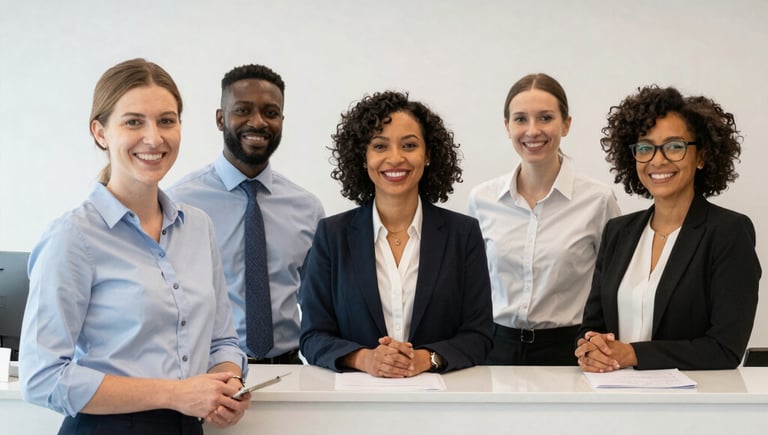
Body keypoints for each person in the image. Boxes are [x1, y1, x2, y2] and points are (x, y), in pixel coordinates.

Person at [19, 58, 250, 435]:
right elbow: (43, 376)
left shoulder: (198, 227)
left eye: (167, 121)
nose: (154, 137)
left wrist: (228, 384)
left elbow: (223, 338)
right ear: (101, 133)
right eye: (133, 122)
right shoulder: (74, 236)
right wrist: (178, 392)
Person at [300, 91, 493, 377]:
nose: (395, 158)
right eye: (379, 146)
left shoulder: (462, 234)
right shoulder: (332, 235)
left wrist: (426, 358)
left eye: (409, 145)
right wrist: (365, 359)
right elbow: (312, 336)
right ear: (363, 157)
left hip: (443, 402)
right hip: (354, 406)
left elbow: (479, 336)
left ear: (427, 154)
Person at [576, 85, 761, 371]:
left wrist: (634, 354)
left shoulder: (728, 232)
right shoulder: (618, 231)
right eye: (646, 147)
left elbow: (725, 348)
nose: (657, 160)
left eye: (674, 146)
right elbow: (592, 326)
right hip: (613, 397)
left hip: (689, 406)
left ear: (701, 156)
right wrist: (592, 348)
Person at [169, 64, 324, 365]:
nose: (258, 122)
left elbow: (319, 304)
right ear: (220, 118)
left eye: (271, 112)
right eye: (243, 110)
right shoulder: (180, 203)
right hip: (208, 372)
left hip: (291, 370)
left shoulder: (307, 208)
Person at [468, 73, 620, 365]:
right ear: (507, 126)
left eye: (545, 118)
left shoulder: (598, 200)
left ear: (566, 124)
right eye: (521, 119)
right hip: (494, 348)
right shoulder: (482, 200)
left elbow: (612, 286)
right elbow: (471, 285)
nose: (533, 130)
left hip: (570, 350)